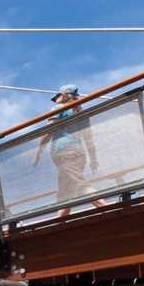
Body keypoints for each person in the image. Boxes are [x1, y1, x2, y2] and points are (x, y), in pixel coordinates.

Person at [33, 84, 109, 217]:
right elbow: (88, 138)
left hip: (64, 152)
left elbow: (48, 131)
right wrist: (93, 159)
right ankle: (58, 223)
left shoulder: (59, 108)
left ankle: (108, 208)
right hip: (79, 153)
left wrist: (38, 153)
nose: (55, 99)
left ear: (64, 96)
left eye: (57, 96)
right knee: (65, 193)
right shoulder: (82, 113)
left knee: (79, 184)